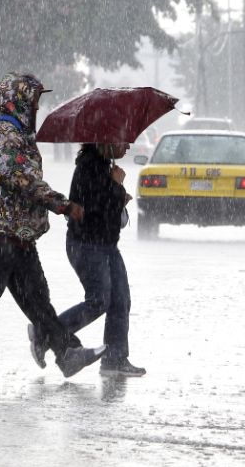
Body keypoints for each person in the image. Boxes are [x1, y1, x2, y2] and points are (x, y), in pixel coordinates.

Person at [0, 72, 107, 382]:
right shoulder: (3, 134)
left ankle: (67, 353)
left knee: (36, 297)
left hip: (15, 233)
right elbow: (23, 179)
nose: (36, 109)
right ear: (17, 102)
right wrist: (62, 204)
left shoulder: (16, 133)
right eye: (33, 102)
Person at [28, 142, 146, 377]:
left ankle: (115, 358)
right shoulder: (89, 168)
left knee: (120, 300)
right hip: (87, 245)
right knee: (99, 300)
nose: (127, 145)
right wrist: (116, 187)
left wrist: (118, 196)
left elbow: (108, 211)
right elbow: (91, 209)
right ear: (106, 140)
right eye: (122, 140)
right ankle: (45, 335)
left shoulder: (104, 167)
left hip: (107, 245)